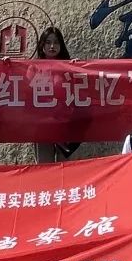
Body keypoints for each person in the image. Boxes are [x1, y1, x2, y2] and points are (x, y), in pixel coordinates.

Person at [33, 26, 82, 164]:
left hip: (64, 124)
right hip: (42, 125)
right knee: (44, 167)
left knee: (64, 168)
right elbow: (25, 93)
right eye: (48, 42)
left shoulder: (69, 67)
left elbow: (80, 91)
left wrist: (80, 68)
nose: (52, 46)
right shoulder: (33, 67)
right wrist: (8, 64)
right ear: (42, 45)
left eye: (56, 42)